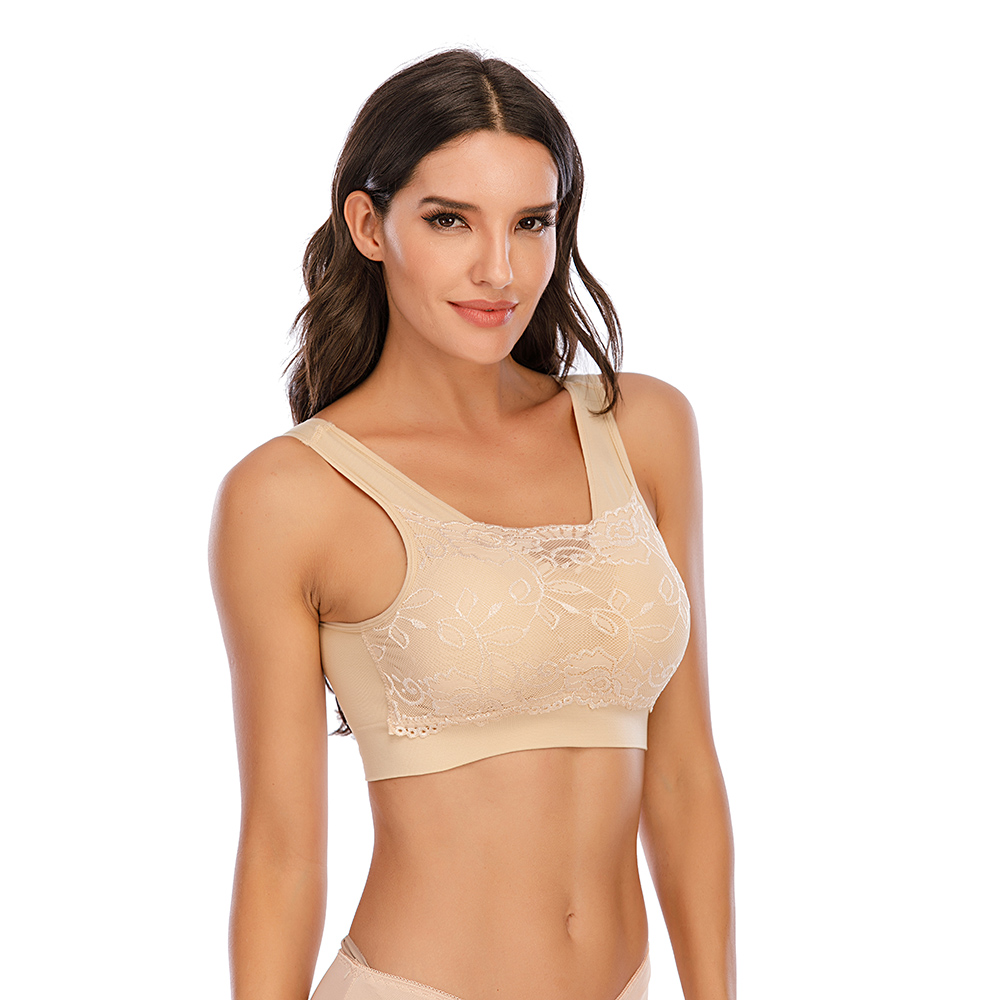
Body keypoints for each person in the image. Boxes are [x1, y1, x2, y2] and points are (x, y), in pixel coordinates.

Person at [210, 49, 735, 1000]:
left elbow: (685, 774)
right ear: (368, 226)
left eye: (532, 223)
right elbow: (283, 852)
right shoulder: (291, 495)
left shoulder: (644, 429)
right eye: (449, 219)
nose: (499, 270)